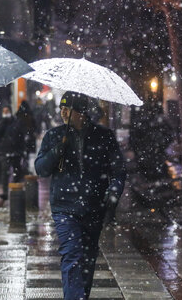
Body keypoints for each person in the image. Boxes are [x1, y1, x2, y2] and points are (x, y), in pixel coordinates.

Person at [35, 91, 126, 300]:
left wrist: (113, 192)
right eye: (61, 108)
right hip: (65, 207)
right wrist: (58, 150)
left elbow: (118, 170)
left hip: (94, 208)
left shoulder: (104, 137)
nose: (63, 113)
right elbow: (41, 169)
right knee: (72, 255)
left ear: (82, 112)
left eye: (69, 109)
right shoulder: (54, 136)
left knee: (87, 259)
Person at [0, 101, 36, 199]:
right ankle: (7, 192)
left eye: (7, 111)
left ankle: (15, 189)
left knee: (17, 171)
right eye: (4, 111)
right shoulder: (3, 122)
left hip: (16, 151)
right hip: (6, 151)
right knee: (6, 172)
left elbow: (22, 134)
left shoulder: (16, 121)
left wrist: (23, 148)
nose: (6, 113)